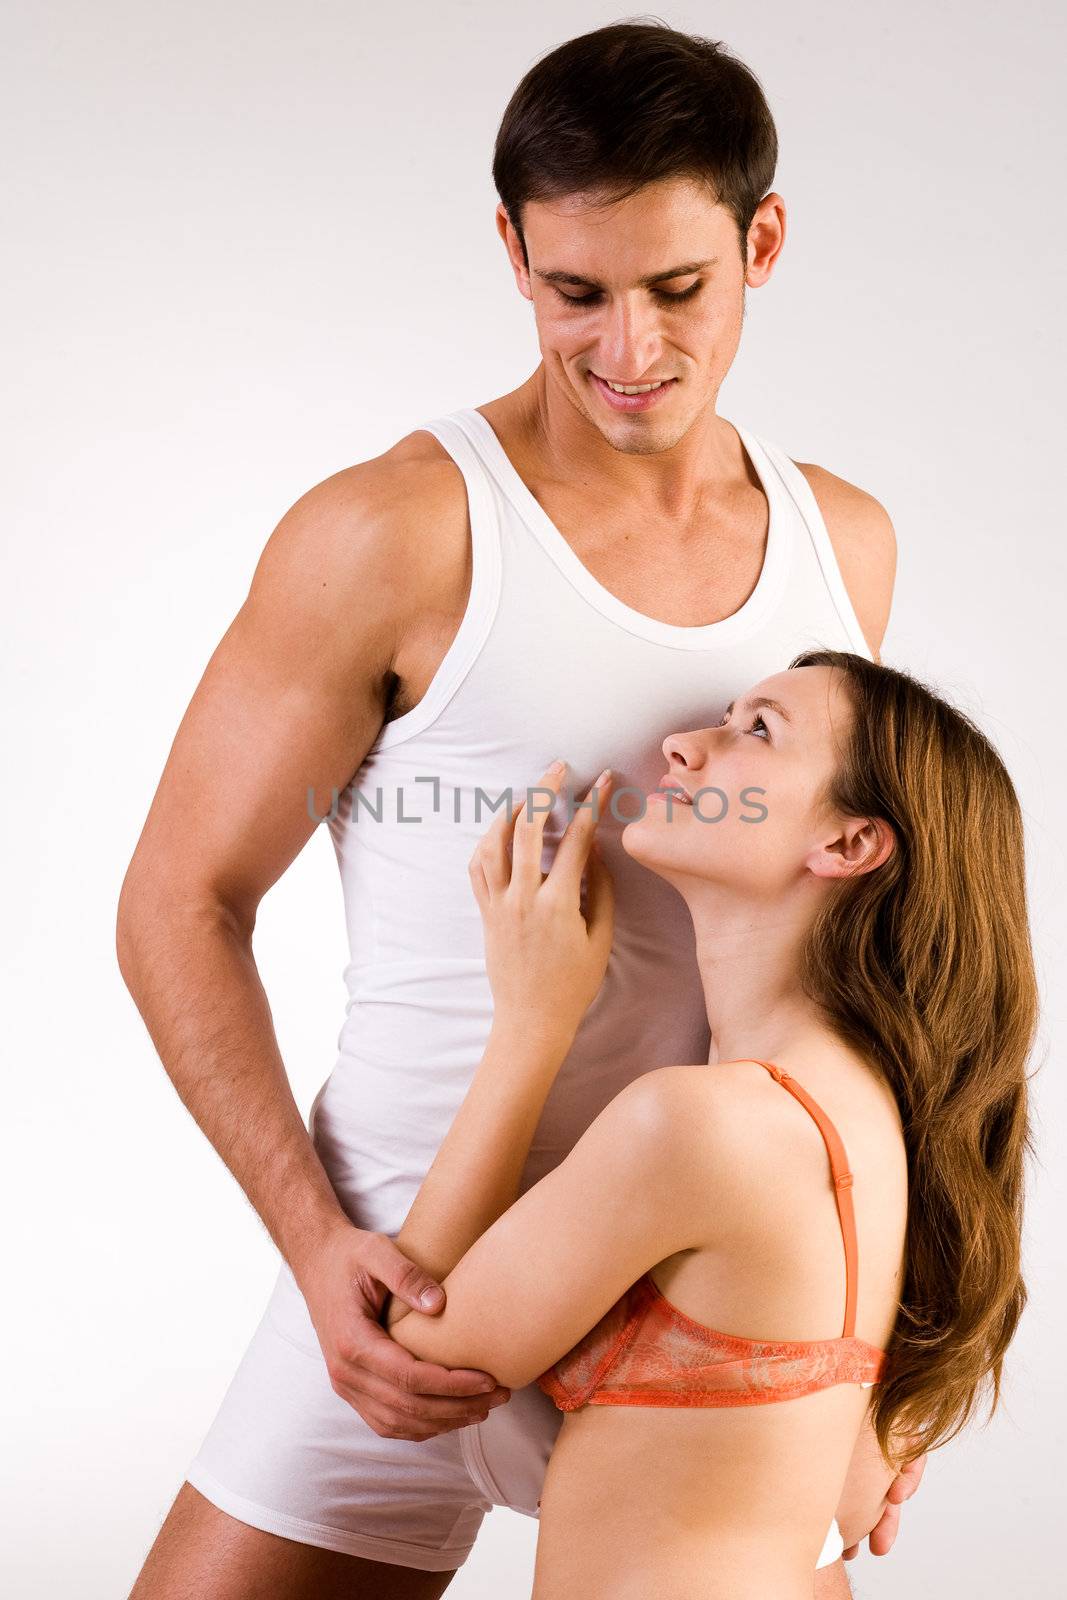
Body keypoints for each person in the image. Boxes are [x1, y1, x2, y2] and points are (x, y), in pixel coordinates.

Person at [117, 22, 920, 1600]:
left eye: (676, 289)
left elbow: (844, 978)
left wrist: (854, 1362)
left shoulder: (842, 547)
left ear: (760, 241)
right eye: (575, 292)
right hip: (393, 1285)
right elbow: (180, 901)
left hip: (689, 1308)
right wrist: (311, 1243)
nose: (626, 347)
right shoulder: (393, 535)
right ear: (510, 251)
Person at [381, 651, 1036, 1597]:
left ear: (850, 845)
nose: (683, 746)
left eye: (757, 731)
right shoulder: (874, 1126)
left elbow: (412, 1361)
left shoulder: (700, 1125)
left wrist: (532, 1024)